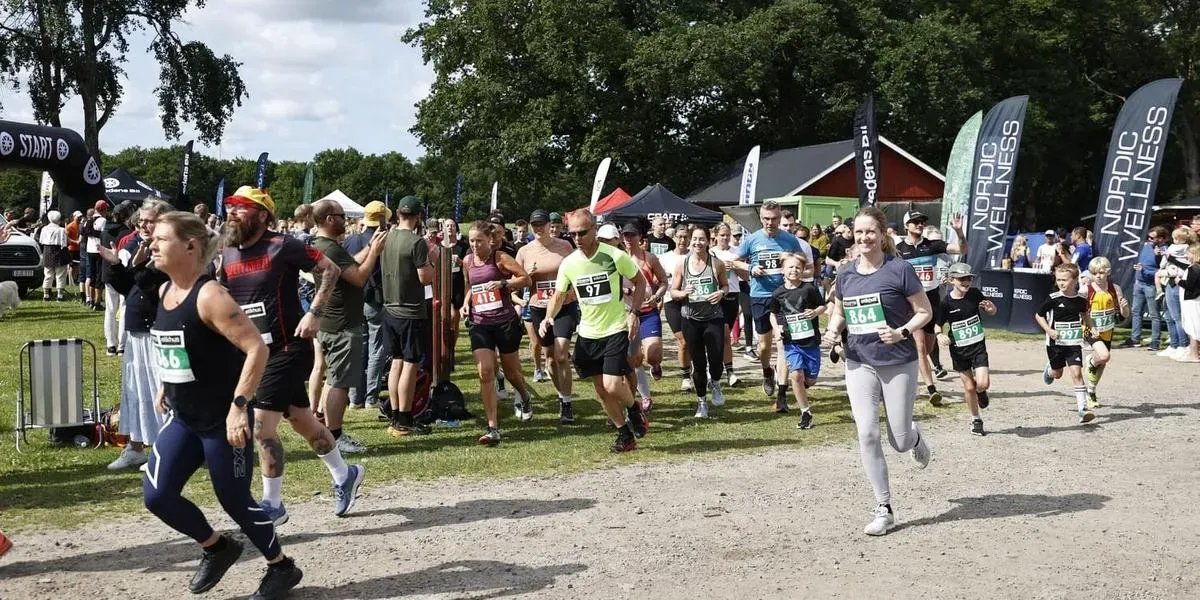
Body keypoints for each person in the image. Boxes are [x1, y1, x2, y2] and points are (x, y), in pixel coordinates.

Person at [144, 211, 303, 599]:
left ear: (190, 246)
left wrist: (239, 406)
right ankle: (217, 547)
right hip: (184, 416)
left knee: (233, 499)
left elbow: (256, 348)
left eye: (161, 239)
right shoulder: (165, 291)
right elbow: (177, 344)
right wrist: (168, 382)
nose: (151, 244)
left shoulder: (211, 295)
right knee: (158, 496)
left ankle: (281, 567)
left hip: (222, 420)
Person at [220, 186, 364, 524]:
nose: (232, 213)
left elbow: (329, 269)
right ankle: (345, 475)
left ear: (262, 215)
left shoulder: (282, 245)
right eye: (231, 206)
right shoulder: (227, 252)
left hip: (287, 348)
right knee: (303, 422)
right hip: (252, 353)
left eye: (240, 207)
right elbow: (223, 295)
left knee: (261, 427)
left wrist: (314, 312)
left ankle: (273, 504)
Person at [820, 206, 933, 536]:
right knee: (867, 432)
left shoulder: (900, 270)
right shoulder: (845, 274)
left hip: (898, 360)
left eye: (870, 232)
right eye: (858, 232)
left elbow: (924, 311)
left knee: (898, 440)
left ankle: (914, 437)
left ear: (883, 235)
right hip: (859, 360)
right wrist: (831, 331)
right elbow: (840, 313)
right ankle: (884, 507)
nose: (864, 238)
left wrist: (903, 332)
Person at [541, 210, 649, 452]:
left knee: (612, 385)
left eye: (582, 233)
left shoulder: (613, 255)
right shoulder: (569, 263)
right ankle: (624, 434)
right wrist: (548, 317)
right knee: (601, 390)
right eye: (573, 233)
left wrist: (634, 314)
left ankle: (634, 409)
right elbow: (559, 294)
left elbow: (640, 282)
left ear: (594, 230)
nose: (577, 238)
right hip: (587, 333)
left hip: (614, 329)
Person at [311, 199, 386, 453]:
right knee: (340, 381)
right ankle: (335, 436)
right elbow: (359, 276)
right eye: (342, 216)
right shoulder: (330, 249)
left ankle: (329, 431)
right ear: (330, 219)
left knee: (334, 378)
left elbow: (350, 265)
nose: (348, 220)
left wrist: (370, 247)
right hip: (341, 325)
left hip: (333, 322)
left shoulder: (327, 246)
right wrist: (374, 251)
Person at [105, 199, 174, 471]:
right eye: (141, 220)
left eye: (149, 220)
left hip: (159, 327)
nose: (143, 225)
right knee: (135, 387)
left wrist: (139, 264)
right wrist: (116, 266)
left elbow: (149, 282)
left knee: (161, 389)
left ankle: (165, 449)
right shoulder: (137, 245)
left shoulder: (168, 248)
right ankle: (134, 447)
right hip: (135, 326)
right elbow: (127, 286)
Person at [734, 200, 814, 406]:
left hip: (784, 296)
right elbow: (734, 260)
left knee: (783, 342)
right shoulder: (752, 240)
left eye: (775, 219)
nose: (770, 223)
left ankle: (782, 393)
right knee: (764, 345)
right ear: (761, 219)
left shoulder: (790, 240)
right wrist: (750, 268)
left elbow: (804, 265)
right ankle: (767, 371)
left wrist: (795, 275)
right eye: (766, 219)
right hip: (760, 295)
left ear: (780, 218)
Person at [464, 220, 534, 444]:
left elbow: (526, 278)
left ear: (489, 240)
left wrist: (504, 284)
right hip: (480, 322)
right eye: (471, 241)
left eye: (479, 241)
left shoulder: (500, 258)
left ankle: (524, 395)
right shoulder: (468, 261)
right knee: (485, 372)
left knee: (512, 373)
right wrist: (466, 303)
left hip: (504, 322)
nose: (474, 245)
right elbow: (471, 286)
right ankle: (492, 427)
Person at [895, 210, 967, 406]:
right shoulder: (898, 250)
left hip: (932, 300)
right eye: (915, 221)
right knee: (919, 347)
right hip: (912, 303)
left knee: (926, 349)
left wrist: (959, 232)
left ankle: (908, 367)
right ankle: (931, 388)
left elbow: (962, 248)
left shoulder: (932, 245)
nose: (919, 224)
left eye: (922, 221)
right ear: (906, 226)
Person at [515, 209, 580, 421]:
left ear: (548, 225)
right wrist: (529, 276)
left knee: (561, 354)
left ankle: (568, 403)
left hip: (563, 305)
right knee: (550, 358)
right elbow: (517, 281)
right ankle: (561, 395)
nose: (539, 228)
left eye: (541, 224)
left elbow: (577, 271)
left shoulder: (564, 246)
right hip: (538, 307)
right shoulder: (525, 251)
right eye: (535, 225)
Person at [380, 196, 436, 436]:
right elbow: (425, 278)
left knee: (396, 363)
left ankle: (395, 415)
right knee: (410, 366)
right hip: (411, 311)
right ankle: (404, 418)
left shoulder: (386, 238)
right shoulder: (417, 243)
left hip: (389, 309)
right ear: (418, 217)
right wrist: (433, 262)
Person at [669, 226, 729, 418]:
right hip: (691, 319)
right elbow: (673, 291)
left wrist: (721, 293)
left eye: (701, 239)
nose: (697, 243)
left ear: (708, 241)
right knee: (699, 363)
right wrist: (683, 293)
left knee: (716, 359)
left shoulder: (716, 264)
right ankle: (702, 401)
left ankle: (717, 383)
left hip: (714, 318)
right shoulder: (682, 264)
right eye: (694, 239)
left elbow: (725, 285)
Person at [936, 263, 997, 436]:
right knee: (969, 387)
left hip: (978, 346)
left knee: (982, 383)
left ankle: (981, 392)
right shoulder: (945, 303)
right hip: (959, 350)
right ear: (951, 280)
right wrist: (940, 335)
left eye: (968, 278)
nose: (966, 282)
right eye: (961, 279)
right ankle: (975, 419)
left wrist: (991, 309)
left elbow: (991, 310)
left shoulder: (975, 294)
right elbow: (937, 325)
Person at [343, 200, 391, 409]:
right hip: (375, 300)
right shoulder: (385, 241)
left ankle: (355, 398)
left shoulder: (350, 240)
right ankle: (370, 397)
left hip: (353, 299)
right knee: (376, 348)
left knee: (358, 348)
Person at [768, 253, 825, 429]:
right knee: (796, 375)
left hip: (810, 341)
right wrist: (777, 329)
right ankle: (805, 412)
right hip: (790, 341)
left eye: (798, 267)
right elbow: (773, 314)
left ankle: (798, 385)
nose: (794, 270)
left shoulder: (809, 289)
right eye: (790, 267)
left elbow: (823, 306)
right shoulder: (778, 293)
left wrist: (815, 312)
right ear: (783, 270)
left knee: (811, 380)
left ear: (803, 271)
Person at [1036, 262, 1095, 424]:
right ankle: (1050, 370)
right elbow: (1038, 315)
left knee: (1076, 373)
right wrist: (1049, 330)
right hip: (1056, 343)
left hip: (1073, 342)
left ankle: (1083, 409)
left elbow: (1084, 314)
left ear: (1075, 280)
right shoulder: (1053, 298)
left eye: (1064, 280)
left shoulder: (1080, 300)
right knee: (1058, 374)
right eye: (1058, 280)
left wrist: (1091, 327)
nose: (1061, 283)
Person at [619, 221, 670, 406]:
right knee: (634, 358)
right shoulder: (618, 259)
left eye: (632, 235)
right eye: (625, 235)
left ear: (640, 237)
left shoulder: (649, 258)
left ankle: (655, 365)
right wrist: (623, 292)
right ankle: (645, 396)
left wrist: (656, 296)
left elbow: (664, 282)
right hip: (627, 313)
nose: (629, 239)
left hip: (649, 312)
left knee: (652, 354)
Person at [1080, 256, 1129, 408]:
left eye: (1101, 273)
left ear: (1108, 272)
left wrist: (1124, 307)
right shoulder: (1085, 290)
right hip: (1091, 329)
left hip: (1107, 329)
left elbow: (1125, 315)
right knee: (1104, 356)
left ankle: (1091, 392)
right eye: (1094, 273)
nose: (1098, 276)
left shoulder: (1115, 289)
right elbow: (1079, 312)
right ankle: (1090, 362)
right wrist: (1089, 326)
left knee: (1102, 363)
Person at [1123, 226, 1168, 350]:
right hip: (1139, 282)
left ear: (1161, 238)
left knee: (1154, 314)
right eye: (1149, 237)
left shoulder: (1165, 251)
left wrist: (1146, 270)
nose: (1149, 239)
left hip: (1151, 285)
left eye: (1152, 238)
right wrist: (1139, 270)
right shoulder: (1146, 246)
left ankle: (1155, 341)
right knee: (1136, 312)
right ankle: (1135, 339)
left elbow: (1161, 272)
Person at [660, 227, 694, 389]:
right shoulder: (665, 258)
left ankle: (697, 369)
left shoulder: (694, 256)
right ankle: (686, 376)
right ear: (674, 238)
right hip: (671, 301)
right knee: (683, 340)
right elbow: (657, 280)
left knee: (694, 339)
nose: (682, 240)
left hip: (692, 301)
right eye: (679, 237)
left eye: (685, 237)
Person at [101, 201, 136, 355]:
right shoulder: (126, 233)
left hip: (107, 273)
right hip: (121, 272)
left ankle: (111, 344)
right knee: (123, 308)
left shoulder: (104, 230)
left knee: (110, 309)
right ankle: (121, 345)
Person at [711, 223, 742, 386]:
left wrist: (735, 266)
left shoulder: (736, 252)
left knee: (726, 337)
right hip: (714, 295)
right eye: (722, 235)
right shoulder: (710, 252)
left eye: (727, 235)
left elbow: (746, 275)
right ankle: (722, 371)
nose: (725, 238)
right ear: (715, 235)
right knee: (720, 335)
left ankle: (728, 371)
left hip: (732, 293)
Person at [1176, 243, 1200, 362]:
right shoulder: (1195, 268)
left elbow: (1190, 286)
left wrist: (1179, 281)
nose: (1187, 256)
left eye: (1189, 253)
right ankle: (1194, 352)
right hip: (1195, 300)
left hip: (1192, 301)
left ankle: (1194, 354)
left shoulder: (1194, 268)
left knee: (1193, 327)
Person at [38, 210, 70, 301]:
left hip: (48, 251)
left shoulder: (44, 229)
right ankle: (60, 295)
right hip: (59, 252)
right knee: (60, 274)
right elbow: (65, 243)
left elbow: (41, 240)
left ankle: (46, 295)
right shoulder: (61, 230)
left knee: (48, 274)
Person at [85, 200, 109, 311]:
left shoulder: (88, 220)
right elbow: (104, 236)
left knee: (92, 275)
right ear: (103, 209)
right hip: (99, 250)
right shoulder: (103, 220)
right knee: (99, 277)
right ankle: (97, 302)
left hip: (89, 250)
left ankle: (90, 300)